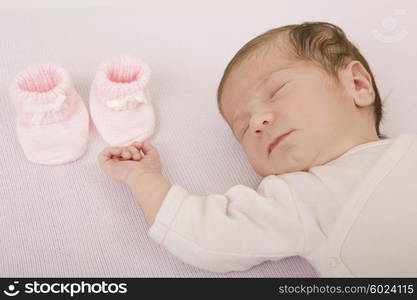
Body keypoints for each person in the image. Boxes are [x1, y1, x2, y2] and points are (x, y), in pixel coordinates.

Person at [97, 22, 417, 276]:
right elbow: (205, 233)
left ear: (357, 85)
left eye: (276, 91)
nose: (258, 123)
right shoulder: (302, 197)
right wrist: (142, 176)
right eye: (243, 128)